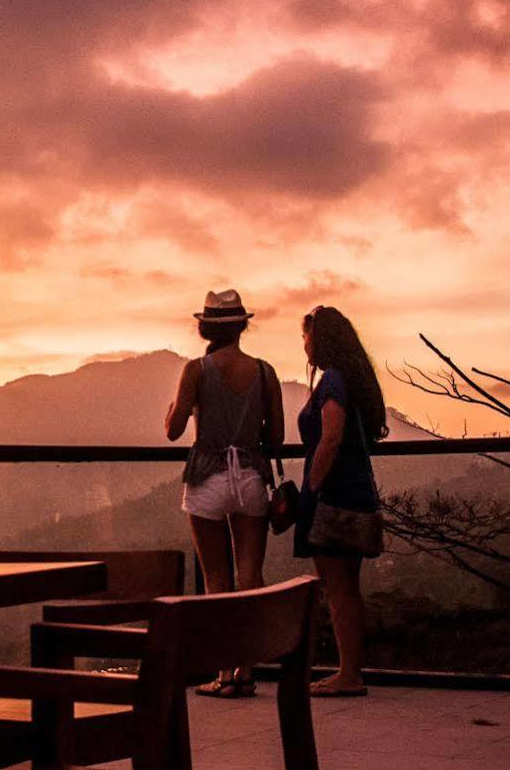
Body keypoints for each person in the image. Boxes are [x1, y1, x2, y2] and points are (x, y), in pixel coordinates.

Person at [165, 288, 283, 698]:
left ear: (204, 327)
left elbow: (173, 430)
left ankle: (223, 673)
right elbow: (279, 435)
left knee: (216, 578)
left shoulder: (195, 370)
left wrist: (182, 406)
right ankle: (246, 667)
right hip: (250, 475)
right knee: (249, 574)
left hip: (208, 475)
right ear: (242, 325)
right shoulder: (265, 372)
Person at [295, 305, 388, 697]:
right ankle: (350, 670)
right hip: (354, 492)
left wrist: (311, 491)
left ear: (321, 338)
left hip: (332, 496)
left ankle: (348, 674)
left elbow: (331, 435)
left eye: (306, 336)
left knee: (337, 587)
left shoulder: (332, 380)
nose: (304, 345)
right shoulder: (351, 378)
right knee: (346, 586)